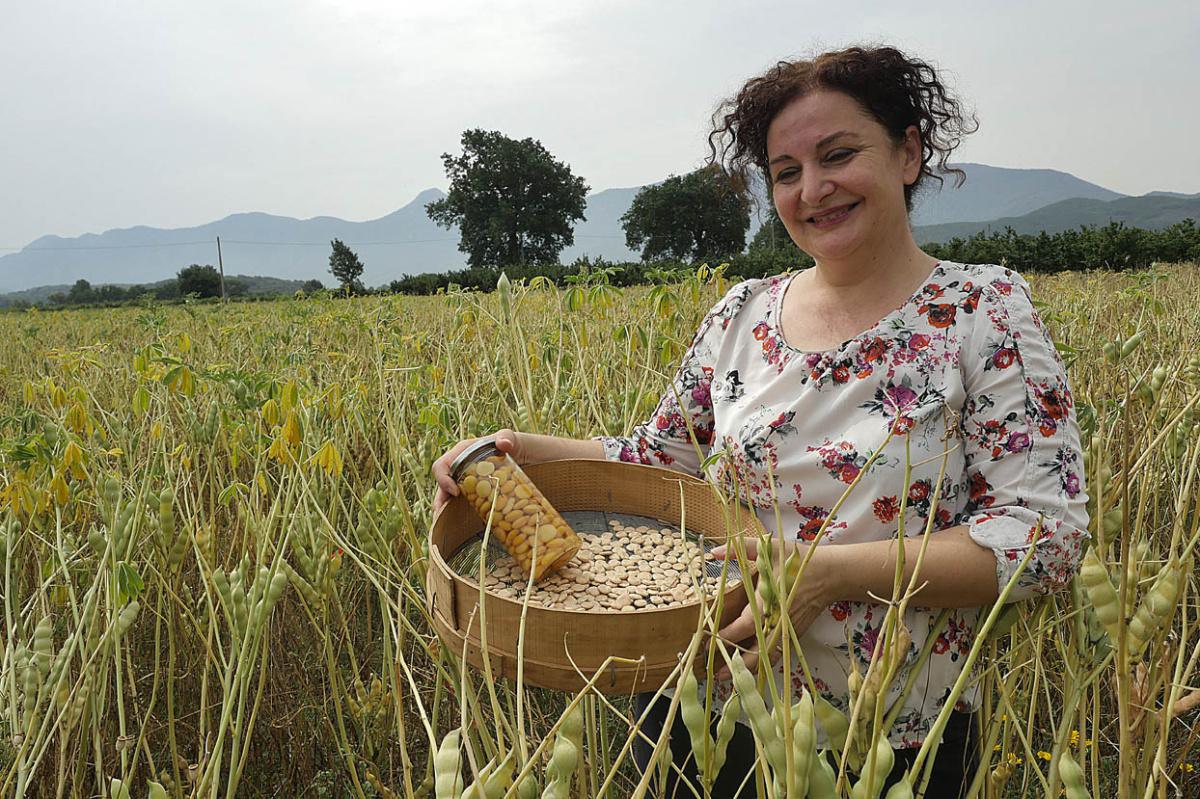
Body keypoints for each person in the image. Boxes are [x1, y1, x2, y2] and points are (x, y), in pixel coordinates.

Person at [432, 44, 1089, 799]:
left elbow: (1045, 539)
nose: (813, 188)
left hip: (888, 734)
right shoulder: (742, 312)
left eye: (838, 154)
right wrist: (518, 451)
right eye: (785, 172)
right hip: (702, 701)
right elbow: (660, 461)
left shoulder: (982, 314)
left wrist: (825, 575)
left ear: (908, 152)